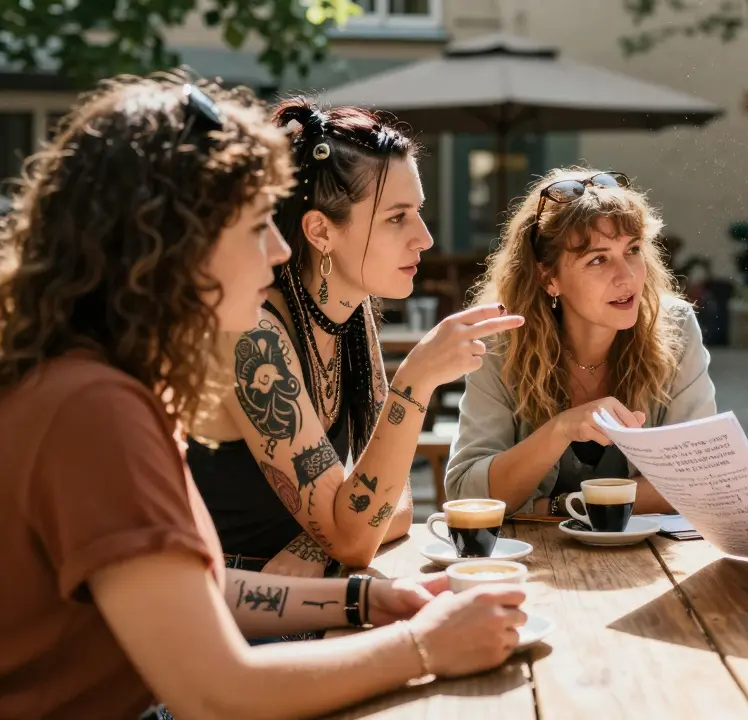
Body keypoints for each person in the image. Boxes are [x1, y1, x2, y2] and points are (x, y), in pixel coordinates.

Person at [0, 74, 525, 720]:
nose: (279, 250)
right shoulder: (93, 408)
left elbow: (211, 589)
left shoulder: (117, 386)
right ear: (171, 246)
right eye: (255, 227)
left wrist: (368, 602)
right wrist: (423, 646)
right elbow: (216, 692)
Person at [189, 97, 524, 578]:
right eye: (397, 217)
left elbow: (393, 504)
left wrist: (317, 546)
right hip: (237, 609)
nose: (425, 238)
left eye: (419, 212)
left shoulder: (346, 313)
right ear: (321, 231)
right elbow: (356, 535)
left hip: (310, 594)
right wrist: (414, 382)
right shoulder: (254, 334)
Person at [446, 168, 715, 516]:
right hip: (525, 564)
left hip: (648, 562)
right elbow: (467, 494)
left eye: (633, 250)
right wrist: (560, 429)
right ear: (549, 277)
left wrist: (559, 506)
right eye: (598, 259)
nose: (628, 276)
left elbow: (701, 480)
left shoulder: (674, 328)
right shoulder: (502, 342)